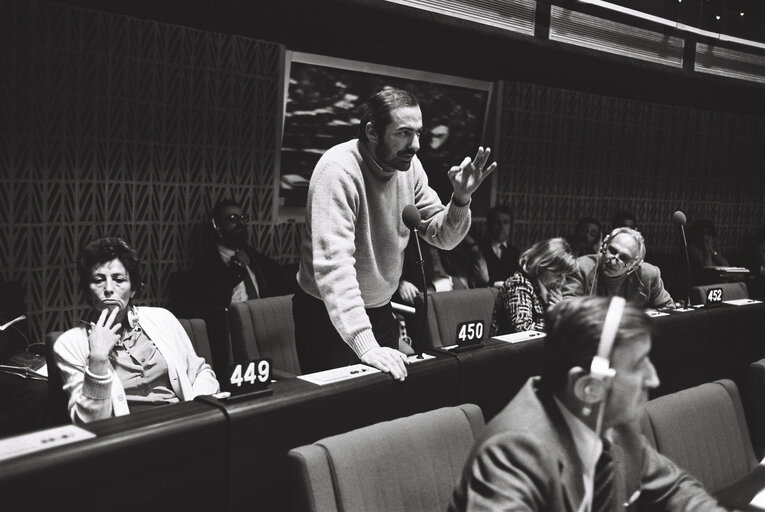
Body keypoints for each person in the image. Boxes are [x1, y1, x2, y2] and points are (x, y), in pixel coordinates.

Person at [450, 296, 726, 511]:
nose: (653, 378)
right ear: (588, 387)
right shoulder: (513, 454)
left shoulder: (612, 421)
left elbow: (675, 488)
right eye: (640, 365)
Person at [294, 88, 496, 380]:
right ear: (373, 132)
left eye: (418, 133)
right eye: (403, 133)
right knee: (336, 416)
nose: (415, 145)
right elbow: (334, 269)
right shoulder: (338, 170)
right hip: (327, 313)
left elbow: (444, 237)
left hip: (380, 309)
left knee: (381, 407)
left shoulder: (409, 167)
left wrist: (461, 199)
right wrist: (366, 345)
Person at [54, 237, 219, 423]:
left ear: (132, 289)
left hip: (182, 423)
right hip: (126, 438)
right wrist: (98, 360)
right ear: (87, 291)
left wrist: (195, 411)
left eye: (119, 279)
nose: (109, 289)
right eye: (98, 280)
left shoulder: (162, 318)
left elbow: (201, 372)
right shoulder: (69, 343)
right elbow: (89, 422)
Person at [189, 199, 293, 370]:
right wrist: (234, 272)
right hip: (229, 332)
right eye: (232, 218)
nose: (240, 223)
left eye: (243, 218)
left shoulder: (260, 262)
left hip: (262, 326)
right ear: (217, 226)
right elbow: (213, 302)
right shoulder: (204, 265)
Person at [563, 227, 674, 308]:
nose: (614, 260)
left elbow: (669, 311)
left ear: (634, 265)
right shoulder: (582, 267)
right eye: (612, 251)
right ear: (604, 245)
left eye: (624, 258)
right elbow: (566, 307)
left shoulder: (648, 275)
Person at [491, 237, 577, 336]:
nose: (562, 280)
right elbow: (523, 330)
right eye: (557, 274)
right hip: (507, 349)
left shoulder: (549, 288)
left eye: (565, 275)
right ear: (541, 266)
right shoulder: (519, 284)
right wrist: (557, 317)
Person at [475, 205, 521, 287]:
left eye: (505, 222)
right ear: (489, 225)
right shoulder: (479, 249)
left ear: (510, 226)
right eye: (497, 222)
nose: (501, 227)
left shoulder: (516, 253)